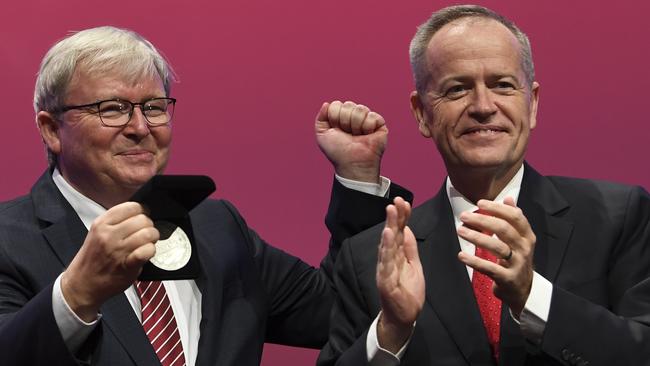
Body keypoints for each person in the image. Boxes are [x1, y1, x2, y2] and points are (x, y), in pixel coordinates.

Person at [0, 26, 412, 365]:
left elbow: (341, 310)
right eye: (112, 108)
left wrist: (357, 177)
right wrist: (76, 295)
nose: (140, 127)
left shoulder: (218, 228)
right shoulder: (8, 240)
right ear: (52, 129)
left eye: (154, 106)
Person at [318, 5, 650, 366]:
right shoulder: (368, 256)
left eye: (503, 85)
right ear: (422, 113)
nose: (482, 106)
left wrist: (532, 296)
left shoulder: (619, 217)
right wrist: (391, 332)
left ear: (532, 104)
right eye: (457, 89)